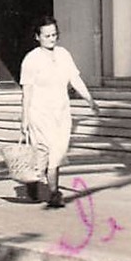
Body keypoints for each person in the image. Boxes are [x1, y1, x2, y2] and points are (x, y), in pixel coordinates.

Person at [20, 16, 99, 209]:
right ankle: (55, 193)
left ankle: (35, 179)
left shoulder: (64, 54)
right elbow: (27, 92)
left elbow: (75, 79)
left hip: (62, 113)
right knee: (47, 151)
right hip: (39, 113)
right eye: (46, 35)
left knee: (58, 150)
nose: (51, 38)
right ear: (37, 37)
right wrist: (24, 119)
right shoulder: (31, 59)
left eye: (54, 34)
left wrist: (89, 99)